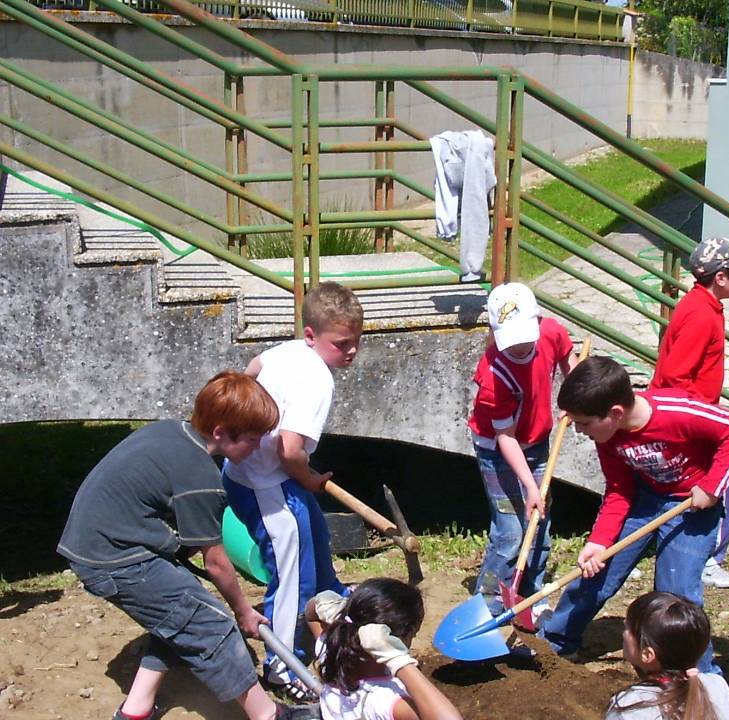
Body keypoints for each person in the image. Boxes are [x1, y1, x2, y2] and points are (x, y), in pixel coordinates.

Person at [58, 371, 320, 720]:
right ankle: (268, 715)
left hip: (97, 541)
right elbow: (216, 563)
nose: (258, 447)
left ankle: (136, 709)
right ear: (220, 432)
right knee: (211, 625)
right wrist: (243, 611)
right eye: (252, 439)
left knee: (182, 612)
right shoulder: (200, 477)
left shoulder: (172, 430)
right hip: (114, 557)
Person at [539, 356, 729, 672]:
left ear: (615, 413)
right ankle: (554, 643)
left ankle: (698, 676)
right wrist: (599, 541)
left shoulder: (678, 412)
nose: (579, 431)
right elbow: (619, 490)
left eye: (583, 423)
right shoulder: (608, 435)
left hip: (692, 510)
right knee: (596, 573)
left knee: (676, 597)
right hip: (645, 501)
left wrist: (711, 487)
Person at [222, 281, 364, 698]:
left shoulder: (285, 352)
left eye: (357, 341)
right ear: (311, 335)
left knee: (314, 535)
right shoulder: (317, 380)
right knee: (289, 578)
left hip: (246, 474)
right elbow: (289, 450)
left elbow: (251, 370)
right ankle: (283, 668)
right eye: (342, 344)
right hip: (267, 486)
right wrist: (310, 480)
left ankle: (332, 601)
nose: (352, 351)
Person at [650, 236, 729, 591]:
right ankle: (707, 559)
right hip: (692, 420)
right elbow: (676, 376)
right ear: (720, 277)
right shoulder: (700, 315)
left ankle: (699, 555)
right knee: (719, 485)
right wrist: (699, 422)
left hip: (694, 413)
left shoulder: (704, 306)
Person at [467, 282, 575, 618]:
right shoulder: (493, 376)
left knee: (538, 521)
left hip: (537, 441)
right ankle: (487, 603)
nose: (518, 347)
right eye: (510, 340)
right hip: (498, 450)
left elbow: (568, 358)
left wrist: (575, 397)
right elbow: (505, 437)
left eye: (524, 337)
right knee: (511, 531)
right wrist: (529, 486)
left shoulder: (551, 332)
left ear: (537, 321)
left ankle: (532, 595)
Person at [304, 578, 464, 720]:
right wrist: (399, 661)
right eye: (413, 635)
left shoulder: (331, 653)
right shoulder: (384, 700)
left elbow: (312, 614)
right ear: (395, 639)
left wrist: (331, 607)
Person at [605, 592, 729, 720]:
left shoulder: (628, 708)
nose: (624, 631)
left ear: (647, 655)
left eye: (628, 628)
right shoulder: (716, 687)